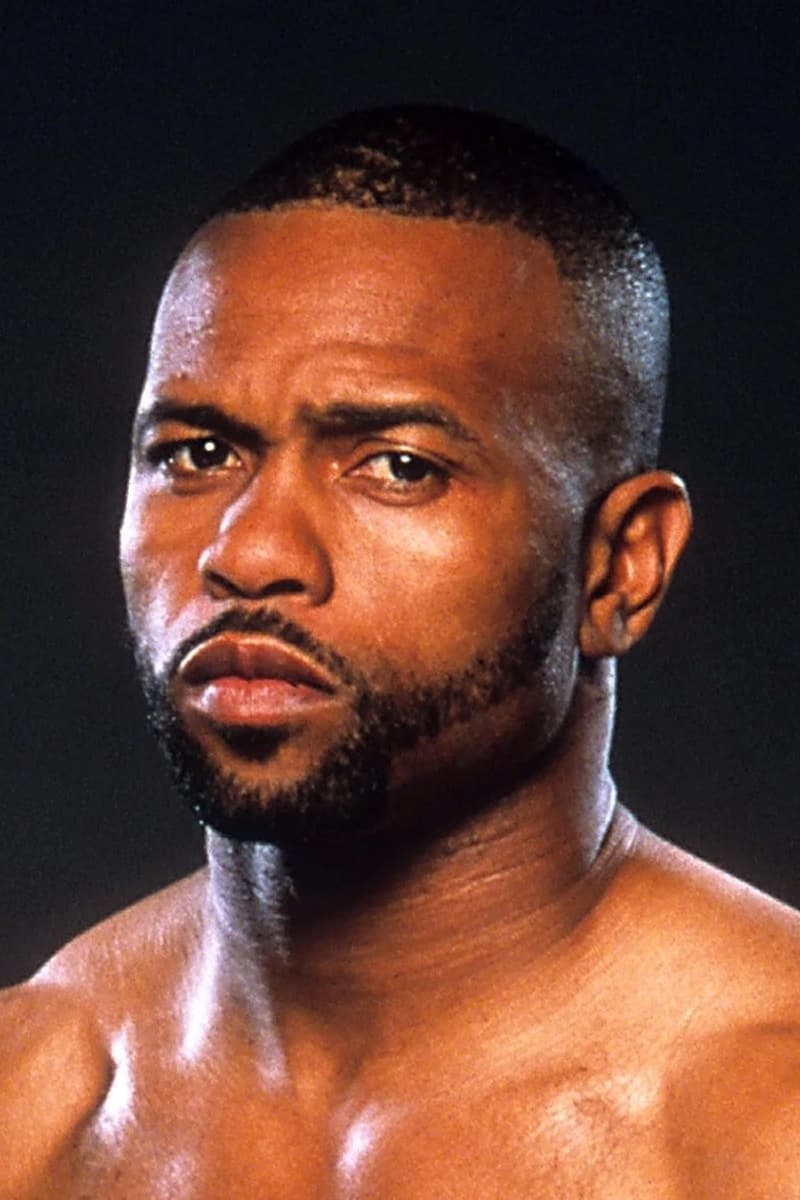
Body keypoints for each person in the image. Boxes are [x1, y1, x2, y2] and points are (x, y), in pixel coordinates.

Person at [3, 105, 798, 1198]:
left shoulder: (766, 1126)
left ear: (620, 567)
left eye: (397, 467)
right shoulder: (31, 1102)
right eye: (197, 453)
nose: (248, 552)